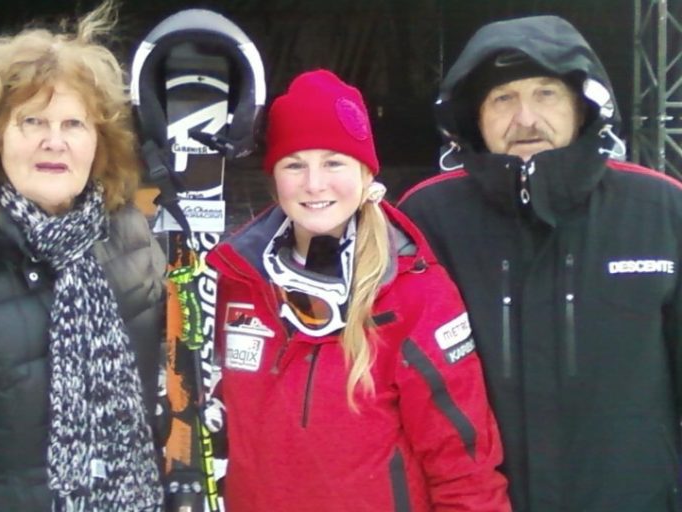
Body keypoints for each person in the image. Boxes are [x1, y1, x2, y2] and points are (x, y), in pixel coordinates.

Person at [399, 15, 682, 512]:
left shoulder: (660, 210)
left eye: (546, 93)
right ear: (474, 116)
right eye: (503, 98)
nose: (525, 117)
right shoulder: (426, 219)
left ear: (581, 103)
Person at [205, 69, 510, 511]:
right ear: (274, 179)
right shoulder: (237, 280)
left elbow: (465, 468)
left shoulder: (414, 291)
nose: (314, 184)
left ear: (367, 173)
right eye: (295, 164)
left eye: (334, 162)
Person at [0, 2, 167, 510]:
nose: (55, 142)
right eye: (32, 121)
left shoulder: (130, 238)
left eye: (74, 124)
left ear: (100, 141)